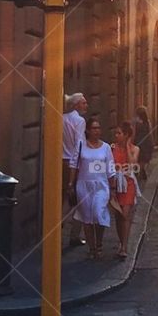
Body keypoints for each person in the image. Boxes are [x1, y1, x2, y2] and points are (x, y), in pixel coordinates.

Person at [69, 116, 115, 259]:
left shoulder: (106, 147)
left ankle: (99, 244)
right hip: (83, 185)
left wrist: (112, 188)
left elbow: (110, 168)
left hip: (101, 185)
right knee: (87, 218)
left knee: (98, 213)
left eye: (98, 128)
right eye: (94, 128)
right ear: (88, 131)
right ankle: (92, 248)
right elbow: (74, 164)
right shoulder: (81, 145)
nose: (97, 131)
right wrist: (71, 183)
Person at [111, 122, 140, 259]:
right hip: (116, 184)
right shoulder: (112, 148)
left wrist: (127, 146)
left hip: (128, 184)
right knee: (118, 215)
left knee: (125, 215)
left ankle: (124, 247)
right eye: (116, 133)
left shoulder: (135, 149)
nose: (116, 136)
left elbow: (132, 164)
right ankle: (121, 241)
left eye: (119, 133)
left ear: (126, 135)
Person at [62, 93, 87, 247]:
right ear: (76, 105)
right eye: (84, 103)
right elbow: (79, 145)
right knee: (80, 200)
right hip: (74, 163)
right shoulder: (80, 121)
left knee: (65, 197)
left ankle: (58, 228)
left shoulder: (62, 118)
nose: (86, 105)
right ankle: (74, 235)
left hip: (61, 161)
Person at [133, 107, 154, 182]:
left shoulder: (136, 122)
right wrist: (152, 142)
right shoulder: (147, 122)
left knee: (138, 157)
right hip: (146, 142)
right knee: (144, 158)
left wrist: (132, 142)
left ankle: (139, 170)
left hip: (139, 142)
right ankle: (141, 169)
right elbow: (150, 133)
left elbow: (134, 133)